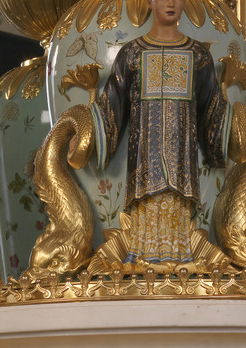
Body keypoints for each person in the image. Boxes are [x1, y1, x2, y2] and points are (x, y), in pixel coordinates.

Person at [94, 0, 230, 264]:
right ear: (149, 1)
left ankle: (179, 260)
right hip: (145, 162)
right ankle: (142, 261)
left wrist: (231, 133)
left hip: (182, 164)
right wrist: (87, 133)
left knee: (177, 214)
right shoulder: (132, 53)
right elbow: (112, 104)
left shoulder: (198, 55)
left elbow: (212, 107)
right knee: (146, 216)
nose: (171, 3)